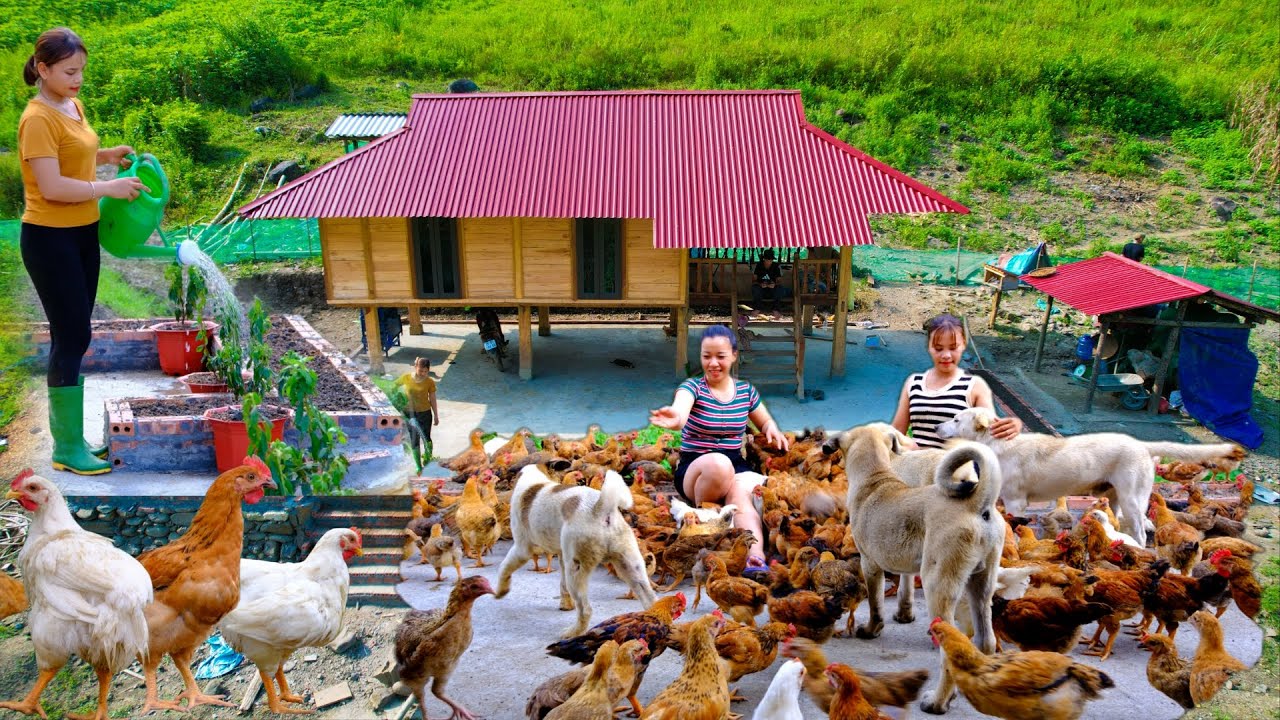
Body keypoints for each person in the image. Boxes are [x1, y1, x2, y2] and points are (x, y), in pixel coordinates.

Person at [19, 28, 146, 475]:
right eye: (69, 72)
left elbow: (72, 157)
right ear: (43, 69)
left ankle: (72, 439)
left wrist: (106, 156)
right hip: (49, 237)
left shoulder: (72, 105)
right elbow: (52, 186)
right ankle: (67, 446)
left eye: (81, 72)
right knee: (71, 335)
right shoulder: (37, 118)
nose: (78, 80)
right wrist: (107, 187)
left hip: (82, 233)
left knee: (77, 334)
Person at [649, 324, 788, 566]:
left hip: (736, 465)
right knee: (719, 465)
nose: (713, 363)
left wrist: (771, 428)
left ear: (734, 356)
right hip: (697, 469)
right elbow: (680, 411)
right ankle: (706, 522)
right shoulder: (692, 388)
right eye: (707, 356)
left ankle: (755, 558)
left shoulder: (745, 391)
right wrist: (674, 418)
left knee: (741, 501)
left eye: (720, 356)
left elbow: (764, 421)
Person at [890, 313, 1023, 450]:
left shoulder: (975, 386)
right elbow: (897, 432)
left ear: (963, 345)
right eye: (938, 348)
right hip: (917, 462)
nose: (946, 355)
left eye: (953, 348)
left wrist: (1014, 426)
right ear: (929, 347)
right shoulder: (913, 383)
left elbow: (990, 433)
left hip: (956, 462)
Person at [396, 357, 439, 471]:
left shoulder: (429, 382)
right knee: (414, 439)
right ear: (415, 367)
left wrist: (436, 415)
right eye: (420, 370)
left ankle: (428, 459)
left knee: (426, 438)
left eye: (426, 371)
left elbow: (433, 399)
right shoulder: (406, 378)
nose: (423, 373)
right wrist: (399, 401)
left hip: (425, 413)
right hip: (410, 414)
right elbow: (393, 387)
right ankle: (418, 466)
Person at [750, 250, 791, 315]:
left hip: (772, 291)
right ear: (764, 259)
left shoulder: (776, 266)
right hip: (761, 290)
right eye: (767, 260)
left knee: (780, 289)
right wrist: (760, 284)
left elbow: (779, 281)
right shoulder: (758, 266)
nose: (769, 262)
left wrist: (774, 284)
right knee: (755, 288)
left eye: (770, 260)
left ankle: (776, 309)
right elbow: (754, 281)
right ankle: (758, 308)